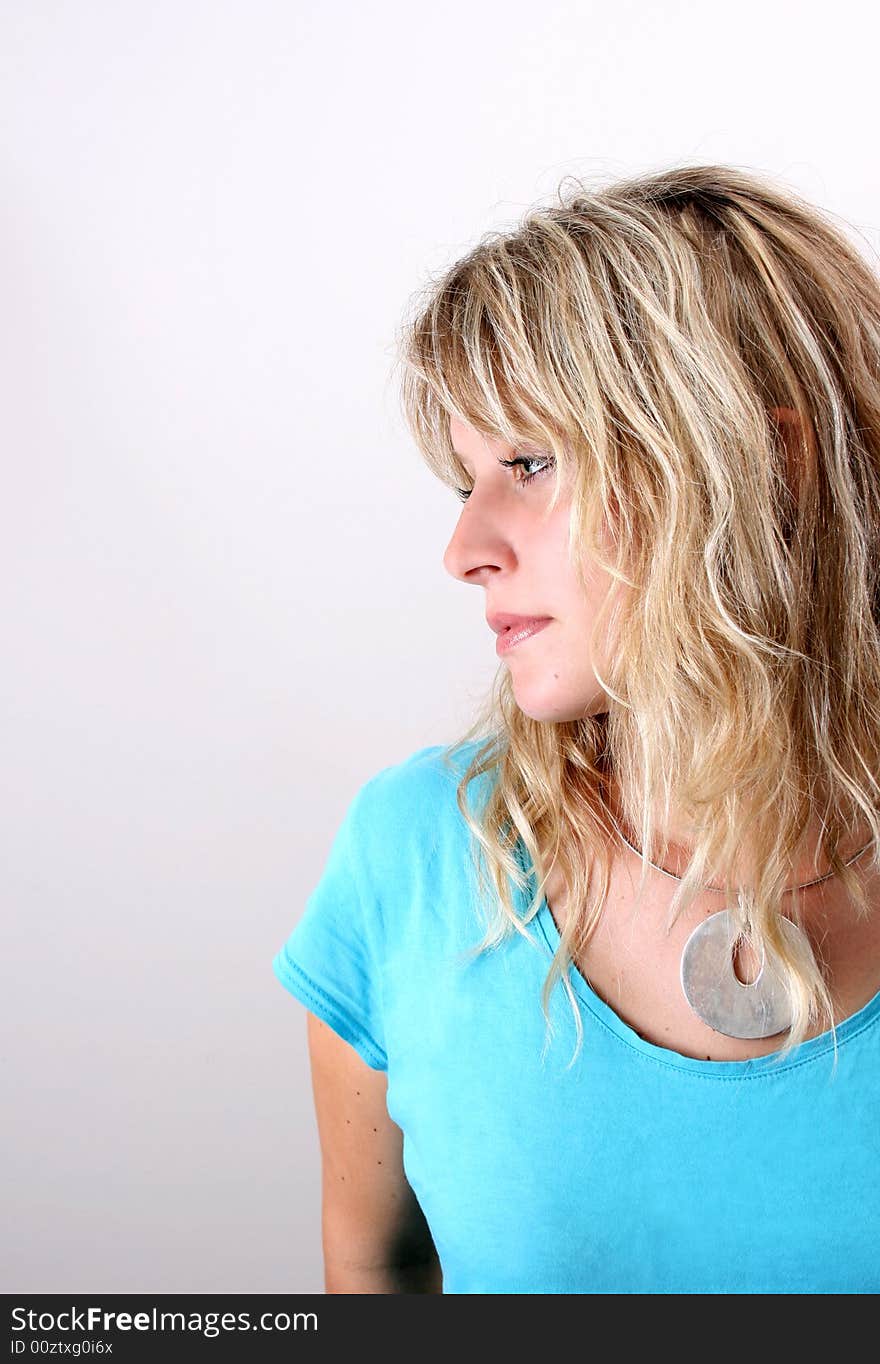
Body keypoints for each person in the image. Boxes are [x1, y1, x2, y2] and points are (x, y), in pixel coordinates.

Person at [272, 163, 880, 1293]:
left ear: (771, 461)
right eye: (466, 478)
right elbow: (374, 1275)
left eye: (531, 463)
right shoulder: (412, 856)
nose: (464, 549)